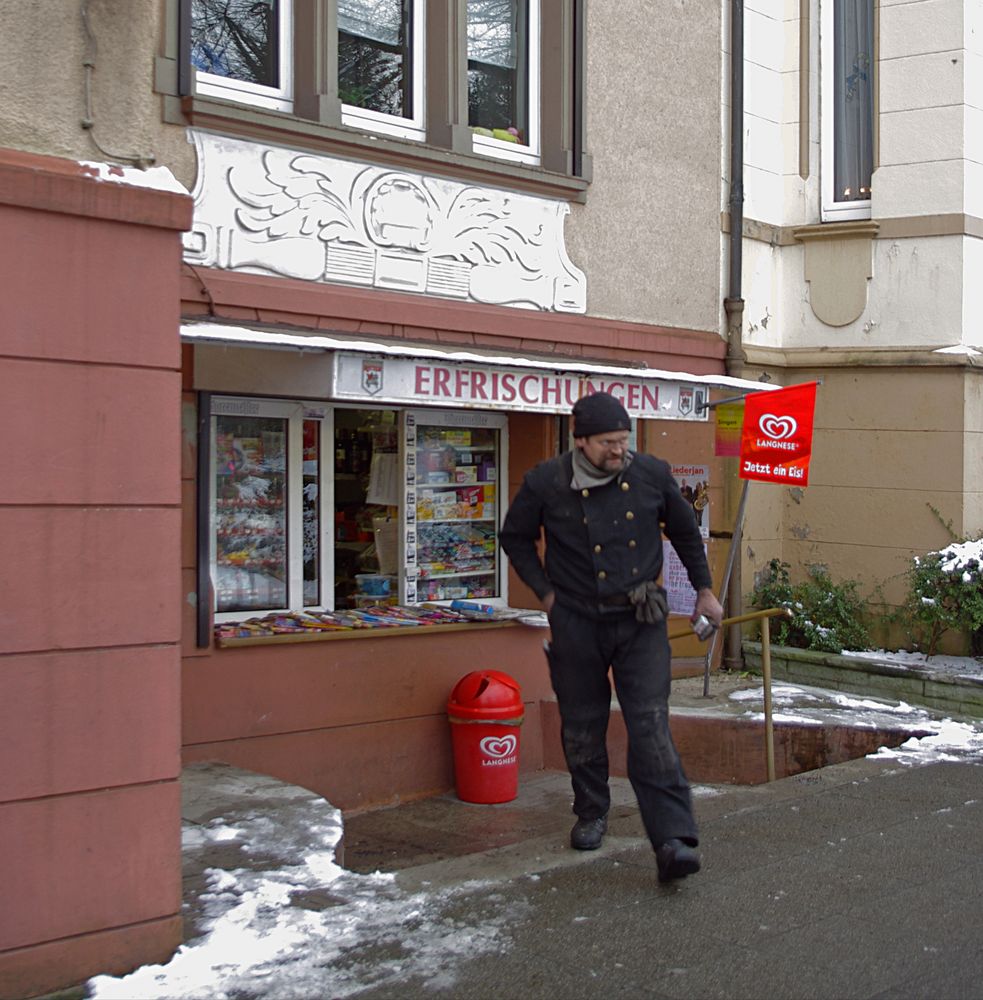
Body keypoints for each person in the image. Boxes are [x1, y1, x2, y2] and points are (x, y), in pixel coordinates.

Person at [500, 391, 723, 882]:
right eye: (607, 442)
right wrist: (545, 593)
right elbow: (513, 536)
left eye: (623, 440)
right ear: (580, 441)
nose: (618, 450)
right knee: (582, 723)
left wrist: (704, 591)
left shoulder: (650, 474)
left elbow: (685, 532)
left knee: (650, 723)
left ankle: (673, 838)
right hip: (575, 620)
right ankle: (591, 811)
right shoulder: (546, 481)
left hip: (640, 618)